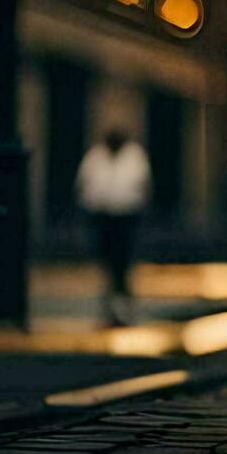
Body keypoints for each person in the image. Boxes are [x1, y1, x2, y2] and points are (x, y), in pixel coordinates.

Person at [75, 128, 151, 325]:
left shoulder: (134, 157)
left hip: (126, 218)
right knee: (107, 263)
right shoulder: (96, 157)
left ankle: (123, 309)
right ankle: (111, 308)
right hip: (103, 218)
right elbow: (84, 185)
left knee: (122, 264)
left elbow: (143, 187)